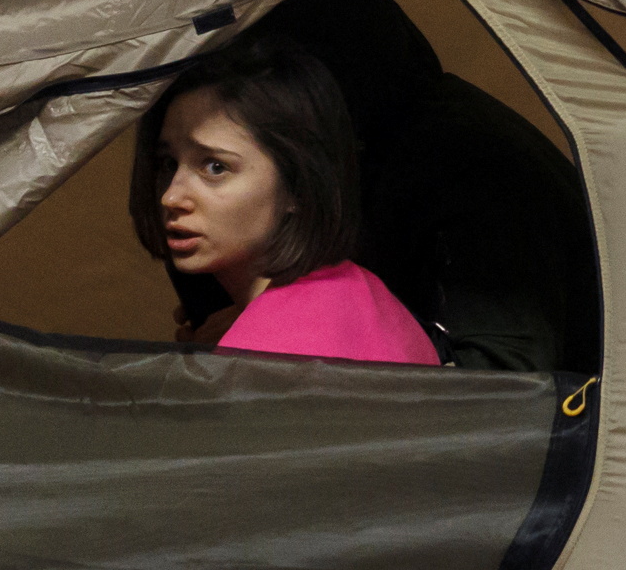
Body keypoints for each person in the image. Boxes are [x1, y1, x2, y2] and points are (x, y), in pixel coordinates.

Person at [133, 43, 441, 365]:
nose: (170, 197)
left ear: (298, 186)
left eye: (215, 167)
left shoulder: (264, 364)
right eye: (168, 164)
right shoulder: (359, 289)